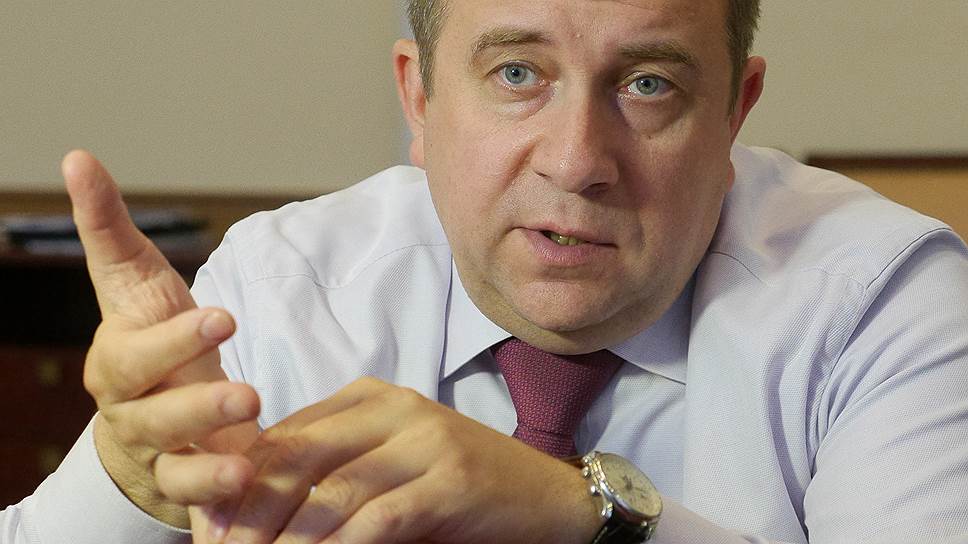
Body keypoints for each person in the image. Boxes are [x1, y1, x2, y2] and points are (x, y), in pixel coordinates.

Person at [3, 0, 967, 542]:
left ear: (734, 115)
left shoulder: (882, 299)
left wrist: (580, 517)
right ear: (419, 100)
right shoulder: (286, 287)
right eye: (517, 74)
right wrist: (128, 485)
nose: (577, 160)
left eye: (648, 84)